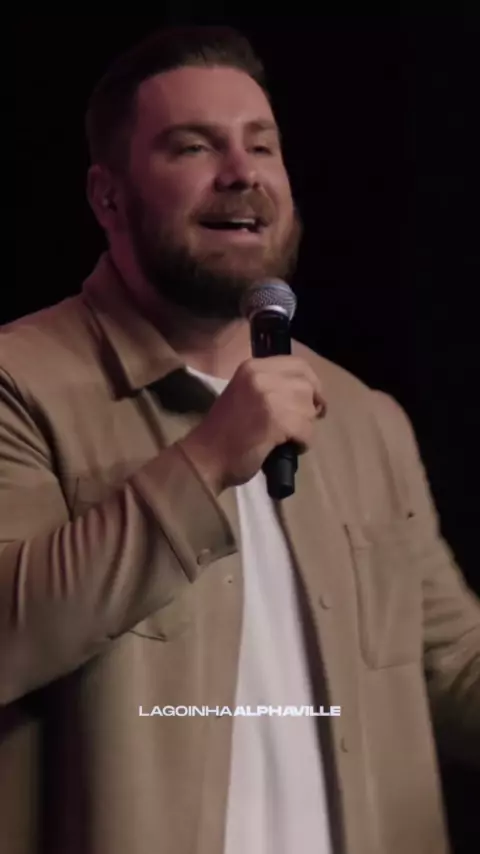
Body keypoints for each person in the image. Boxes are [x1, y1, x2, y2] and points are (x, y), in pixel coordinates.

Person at [2, 25, 479, 854]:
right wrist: (209, 459)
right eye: (195, 147)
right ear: (108, 198)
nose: (242, 172)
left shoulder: (363, 417)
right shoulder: (19, 381)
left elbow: (452, 662)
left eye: (262, 145)